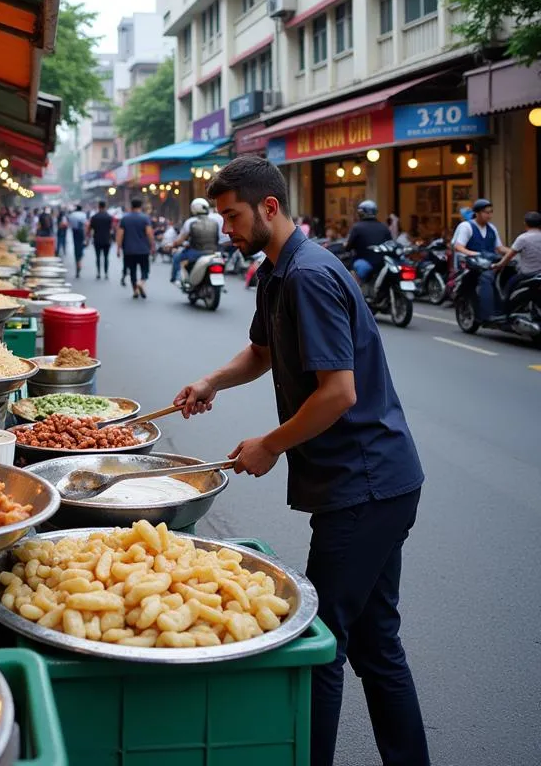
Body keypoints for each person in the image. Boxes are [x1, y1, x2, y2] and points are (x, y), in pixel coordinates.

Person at [174, 156, 427, 766]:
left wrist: (270, 444)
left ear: (268, 207)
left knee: (323, 644)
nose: (225, 229)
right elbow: (262, 351)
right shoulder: (276, 271)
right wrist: (213, 380)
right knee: (376, 644)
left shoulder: (310, 275)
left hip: (364, 486)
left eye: (233, 216)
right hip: (375, 482)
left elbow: (339, 392)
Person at [491, 210, 541, 294]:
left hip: (527, 274)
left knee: (508, 288)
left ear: (525, 223)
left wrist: (498, 265)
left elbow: (509, 256)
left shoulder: (523, 238)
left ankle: (505, 306)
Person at [170, 199, 219, 283]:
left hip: (196, 252)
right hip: (213, 252)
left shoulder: (190, 222)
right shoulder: (215, 222)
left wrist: (173, 245)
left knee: (176, 257)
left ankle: (176, 278)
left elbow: (180, 240)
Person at [345, 200, 392, 284]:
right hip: (382, 264)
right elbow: (390, 244)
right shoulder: (384, 227)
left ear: (362, 213)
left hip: (364, 264)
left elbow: (348, 247)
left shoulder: (357, 227)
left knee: (348, 267)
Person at [116, 198, 155, 299]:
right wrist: (152, 246)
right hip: (143, 250)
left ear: (131, 206)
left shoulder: (125, 219)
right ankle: (141, 282)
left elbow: (120, 234)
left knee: (132, 270)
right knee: (145, 269)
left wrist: (118, 248)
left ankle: (135, 290)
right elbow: (149, 233)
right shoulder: (145, 218)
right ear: (141, 206)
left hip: (129, 250)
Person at [88, 201, 114, 279]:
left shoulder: (94, 217)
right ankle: (106, 273)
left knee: (98, 257)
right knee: (106, 257)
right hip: (107, 239)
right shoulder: (109, 217)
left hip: (97, 239)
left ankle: (98, 272)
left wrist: (88, 238)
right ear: (105, 206)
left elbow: (90, 229)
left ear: (98, 206)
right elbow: (111, 228)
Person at [69, 204, 88, 278]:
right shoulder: (83, 215)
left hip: (75, 232)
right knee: (80, 247)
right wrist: (87, 237)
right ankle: (79, 261)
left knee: (76, 248)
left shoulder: (72, 215)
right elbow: (86, 225)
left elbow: (70, 224)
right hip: (81, 232)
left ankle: (78, 262)